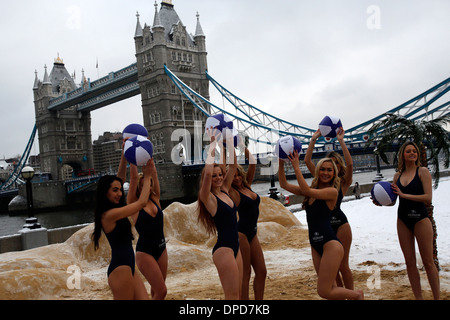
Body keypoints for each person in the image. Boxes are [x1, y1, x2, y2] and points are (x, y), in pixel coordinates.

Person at [279, 151, 363, 300]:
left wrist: (296, 168)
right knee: (330, 288)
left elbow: (306, 190)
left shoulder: (332, 192)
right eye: (322, 169)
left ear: (334, 173)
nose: (325, 172)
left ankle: (356, 295)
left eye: (329, 170)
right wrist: (281, 160)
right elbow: (283, 184)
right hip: (315, 244)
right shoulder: (311, 192)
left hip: (330, 244)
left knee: (323, 291)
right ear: (318, 171)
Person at [91, 153, 152, 300]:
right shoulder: (108, 215)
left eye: (120, 190)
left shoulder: (115, 209)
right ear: (105, 192)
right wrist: (148, 176)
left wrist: (125, 156)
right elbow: (141, 203)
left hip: (129, 267)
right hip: (120, 269)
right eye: (115, 190)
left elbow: (120, 179)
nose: (119, 193)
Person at [304, 128, 354, 289]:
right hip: (323, 227)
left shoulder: (342, 182)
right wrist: (313, 140)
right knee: (332, 271)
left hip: (339, 224)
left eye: (336, 163)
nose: (333, 167)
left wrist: (341, 141)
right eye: (330, 163)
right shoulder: (322, 180)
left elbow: (350, 163)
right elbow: (307, 161)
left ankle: (352, 294)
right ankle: (340, 295)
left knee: (343, 265)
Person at [391, 141, 440, 299]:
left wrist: (404, 195)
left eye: (414, 151)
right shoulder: (397, 175)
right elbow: (392, 200)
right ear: (402, 155)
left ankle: (437, 297)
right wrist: (380, 201)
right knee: (410, 262)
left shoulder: (423, 171)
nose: (412, 153)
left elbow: (428, 197)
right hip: (403, 219)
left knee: (428, 261)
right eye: (408, 151)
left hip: (421, 219)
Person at [197, 129, 243, 299]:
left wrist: (228, 143)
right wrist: (211, 144)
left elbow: (232, 166)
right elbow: (207, 172)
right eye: (214, 176)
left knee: (237, 295)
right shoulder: (208, 198)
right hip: (224, 249)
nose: (217, 177)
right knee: (232, 297)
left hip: (236, 247)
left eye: (220, 175)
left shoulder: (224, 190)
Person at [227, 143, 267, 300]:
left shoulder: (247, 186)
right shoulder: (232, 192)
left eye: (238, 175)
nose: (236, 178)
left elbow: (253, 162)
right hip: (241, 233)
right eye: (233, 176)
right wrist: (228, 148)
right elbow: (231, 167)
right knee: (245, 274)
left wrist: (242, 146)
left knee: (262, 271)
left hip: (253, 232)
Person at [127, 158, 168, 300]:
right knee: (162, 291)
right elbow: (133, 179)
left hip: (162, 248)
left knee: (156, 291)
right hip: (145, 252)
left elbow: (153, 173)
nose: (149, 188)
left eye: (150, 185)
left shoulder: (155, 199)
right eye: (144, 185)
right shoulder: (135, 204)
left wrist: (148, 154)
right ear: (139, 187)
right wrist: (132, 157)